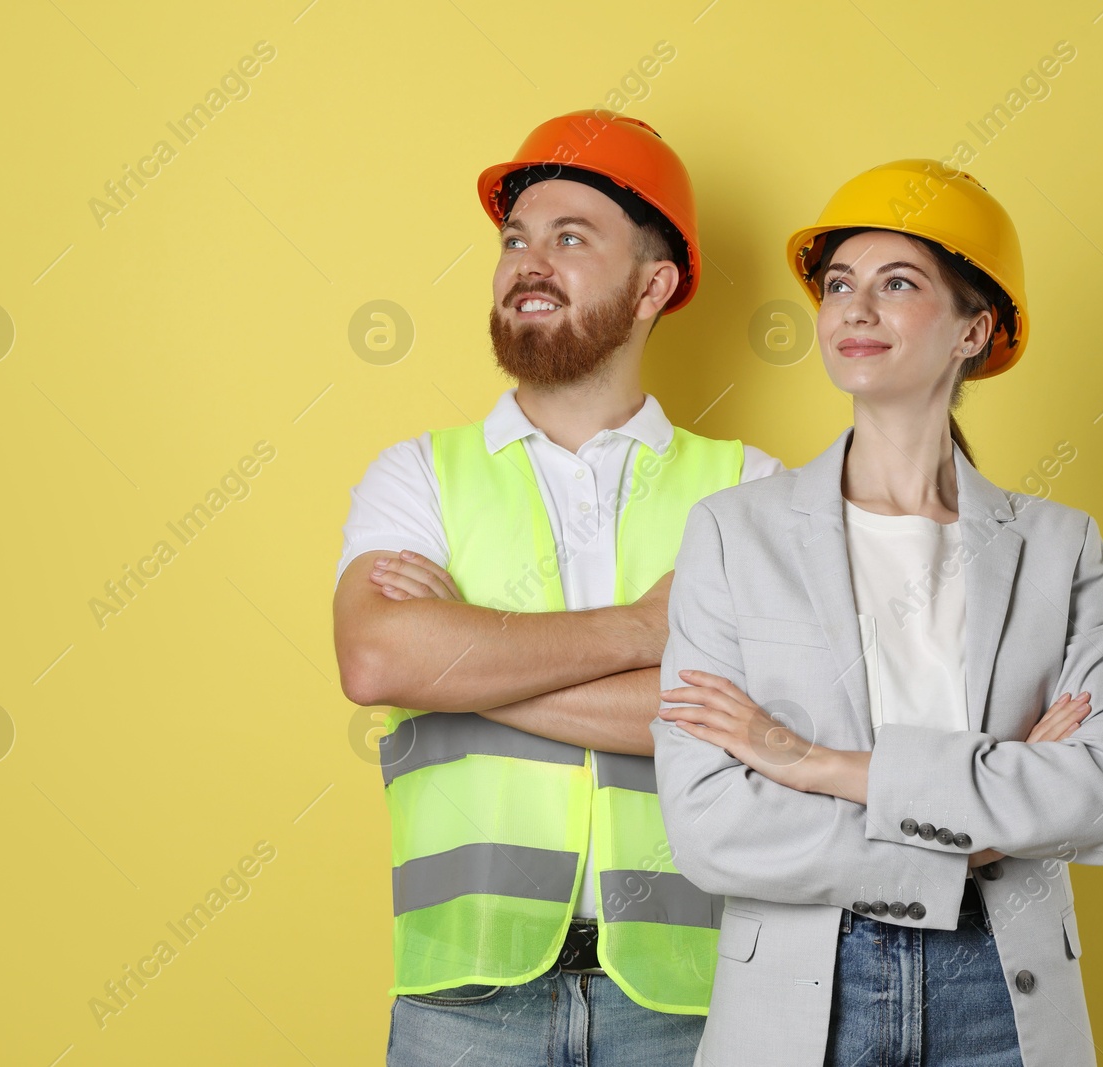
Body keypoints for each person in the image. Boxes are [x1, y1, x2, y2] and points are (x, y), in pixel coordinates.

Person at [650, 159, 1103, 1066]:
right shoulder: (733, 532)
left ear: (974, 329)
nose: (854, 309)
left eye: (898, 285)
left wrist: (814, 762)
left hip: (1001, 989)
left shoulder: (1059, 546)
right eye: (838, 284)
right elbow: (708, 822)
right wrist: (968, 833)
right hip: (801, 988)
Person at [332, 110, 787, 1067]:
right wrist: (647, 628)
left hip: (694, 999)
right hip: (464, 999)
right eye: (515, 239)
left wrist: (464, 666)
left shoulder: (753, 491)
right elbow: (377, 658)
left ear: (654, 284)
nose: (528, 261)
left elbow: (764, 724)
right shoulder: (416, 474)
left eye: (571, 237)